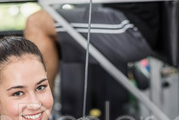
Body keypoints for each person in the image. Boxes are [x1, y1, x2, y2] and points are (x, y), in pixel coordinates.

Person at [24, 3, 160, 92]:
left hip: (133, 27)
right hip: (118, 14)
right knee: (42, 31)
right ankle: (42, 115)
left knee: (37, 23)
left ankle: (40, 115)